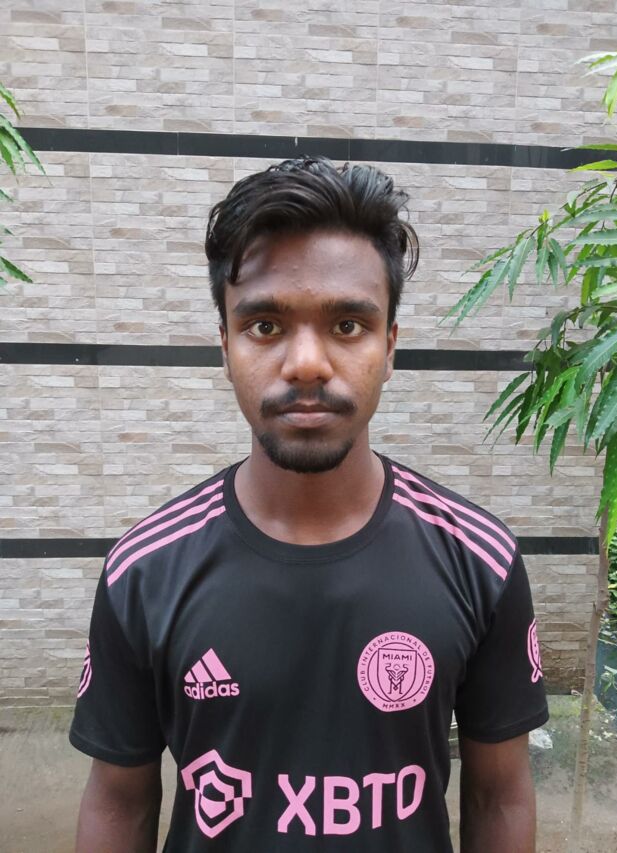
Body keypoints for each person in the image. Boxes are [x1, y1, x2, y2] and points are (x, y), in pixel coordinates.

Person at [70, 156, 549, 853]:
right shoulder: (144, 571)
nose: (305, 364)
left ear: (390, 346)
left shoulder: (480, 561)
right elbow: (119, 803)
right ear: (226, 347)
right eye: (265, 326)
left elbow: (497, 794)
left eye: (348, 325)